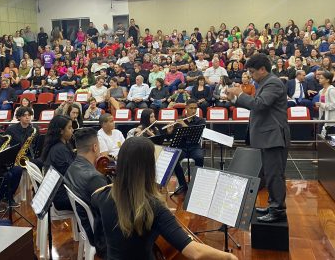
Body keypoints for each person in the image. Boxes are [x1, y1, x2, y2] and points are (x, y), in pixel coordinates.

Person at [91, 137, 237, 260]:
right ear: (149, 168)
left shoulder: (99, 196)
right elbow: (195, 252)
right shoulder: (153, 207)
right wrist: (228, 257)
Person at [227, 53, 290, 223]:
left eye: (253, 72)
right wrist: (234, 99)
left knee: (274, 174)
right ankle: (273, 204)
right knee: (269, 174)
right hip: (267, 136)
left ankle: (278, 209)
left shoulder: (273, 83)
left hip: (273, 137)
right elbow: (256, 104)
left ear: (263, 69)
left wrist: (240, 94)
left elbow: (259, 104)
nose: (251, 76)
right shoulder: (263, 83)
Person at [65, 128, 108, 255]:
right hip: (100, 237)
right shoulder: (95, 178)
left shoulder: (72, 167)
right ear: (95, 147)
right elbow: (109, 212)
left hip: (86, 226)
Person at [41, 115, 75, 211]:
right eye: (69, 127)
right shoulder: (59, 149)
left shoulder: (61, 145)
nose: (72, 130)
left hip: (61, 190)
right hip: (61, 196)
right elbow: (71, 174)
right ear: (61, 131)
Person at [316, 71, 335, 136]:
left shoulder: (332, 90)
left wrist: (321, 104)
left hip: (331, 117)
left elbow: (333, 105)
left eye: (321, 78)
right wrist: (320, 105)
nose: (319, 79)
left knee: (329, 138)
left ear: (327, 80)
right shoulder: (321, 91)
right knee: (319, 134)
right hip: (323, 115)